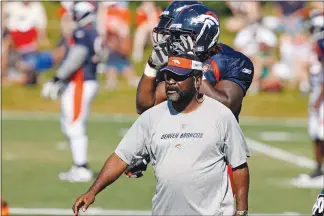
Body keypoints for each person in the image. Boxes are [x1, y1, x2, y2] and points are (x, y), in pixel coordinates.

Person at [72, 53, 250, 216]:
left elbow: (239, 166)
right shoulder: (152, 117)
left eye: (179, 77)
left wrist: (241, 211)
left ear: (197, 81)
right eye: (168, 76)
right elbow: (121, 158)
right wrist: (92, 191)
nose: (171, 82)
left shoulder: (221, 115)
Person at [126, 3, 254, 178]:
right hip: (177, 161)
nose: (171, 40)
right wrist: (151, 68)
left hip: (217, 163)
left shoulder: (230, 60)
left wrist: (191, 65)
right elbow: (146, 108)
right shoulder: (171, 59)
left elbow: (226, 105)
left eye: (178, 35)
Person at [41, 2, 102, 182]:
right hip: (80, 82)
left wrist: (57, 78)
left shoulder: (84, 32)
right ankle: (78, 165)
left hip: (81, 82)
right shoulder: (92, 31)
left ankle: (81, 167)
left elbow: (77, 57)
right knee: (69, 123)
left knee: (74, 125)